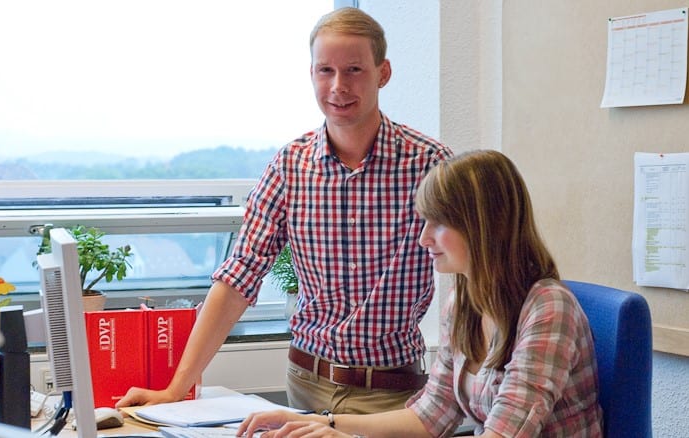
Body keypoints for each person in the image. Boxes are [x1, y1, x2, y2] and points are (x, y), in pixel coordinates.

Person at [116, 7, 452, 414]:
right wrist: (175, 389)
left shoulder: (430, 164)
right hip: (306, 387)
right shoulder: (290, 166)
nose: (338, 86)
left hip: (396, 393)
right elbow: (239, 276)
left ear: (383, 73)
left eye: (354, 70)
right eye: (325, 70)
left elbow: (477, 272)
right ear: (311, 74)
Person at [237, 150, 604, 437]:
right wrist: (325, 423)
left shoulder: (549, 309)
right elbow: (432, 415)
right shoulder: (464, 304)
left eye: (439, 222)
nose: (423, 238)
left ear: (485, 225)